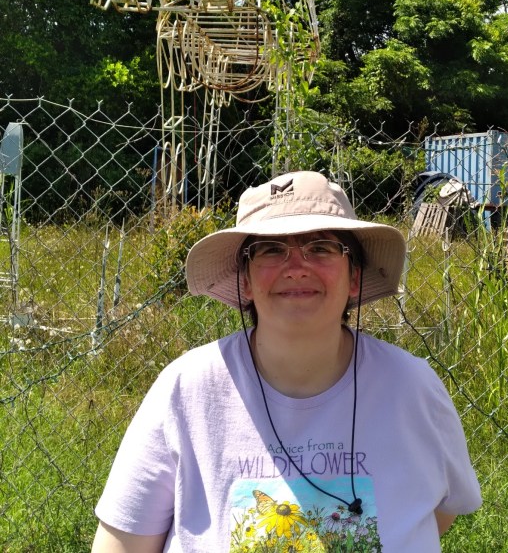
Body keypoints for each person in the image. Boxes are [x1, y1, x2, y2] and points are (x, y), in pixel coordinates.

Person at [92, 171, 481, 552]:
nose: (296, 267)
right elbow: (122, 544)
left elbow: (436, 515)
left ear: (355, 278)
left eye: (322, 248)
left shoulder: (412, 387)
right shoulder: (186, 389)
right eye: (271, 249)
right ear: (245, 280)